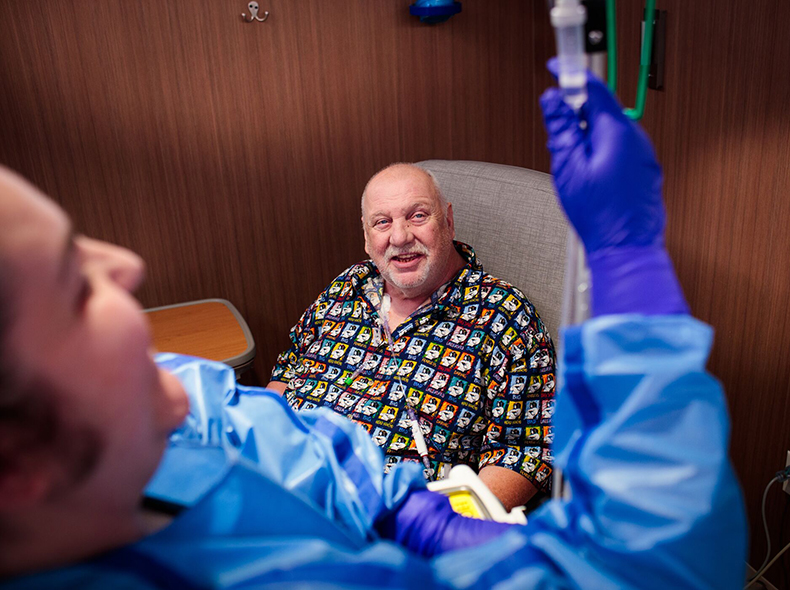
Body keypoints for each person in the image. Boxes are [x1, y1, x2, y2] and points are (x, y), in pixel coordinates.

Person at [0, 66, 747, 589]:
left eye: (418, 216)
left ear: (448, 222)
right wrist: (626, 255)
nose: (125, 264)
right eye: (72, 284)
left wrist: (417, 511)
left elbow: (267, 412)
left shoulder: (176, 409)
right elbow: (647, 572)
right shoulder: (339, 300)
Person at [267, 163, 556, 508]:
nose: (400, 237)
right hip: (281, 491)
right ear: (366, 236)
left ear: (447, 221)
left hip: (390, 527)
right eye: (382, 222)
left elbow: (525, 452)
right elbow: (289, 371)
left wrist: (446, 530)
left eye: (417, 216)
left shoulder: (502, 315)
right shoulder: (347, 287)